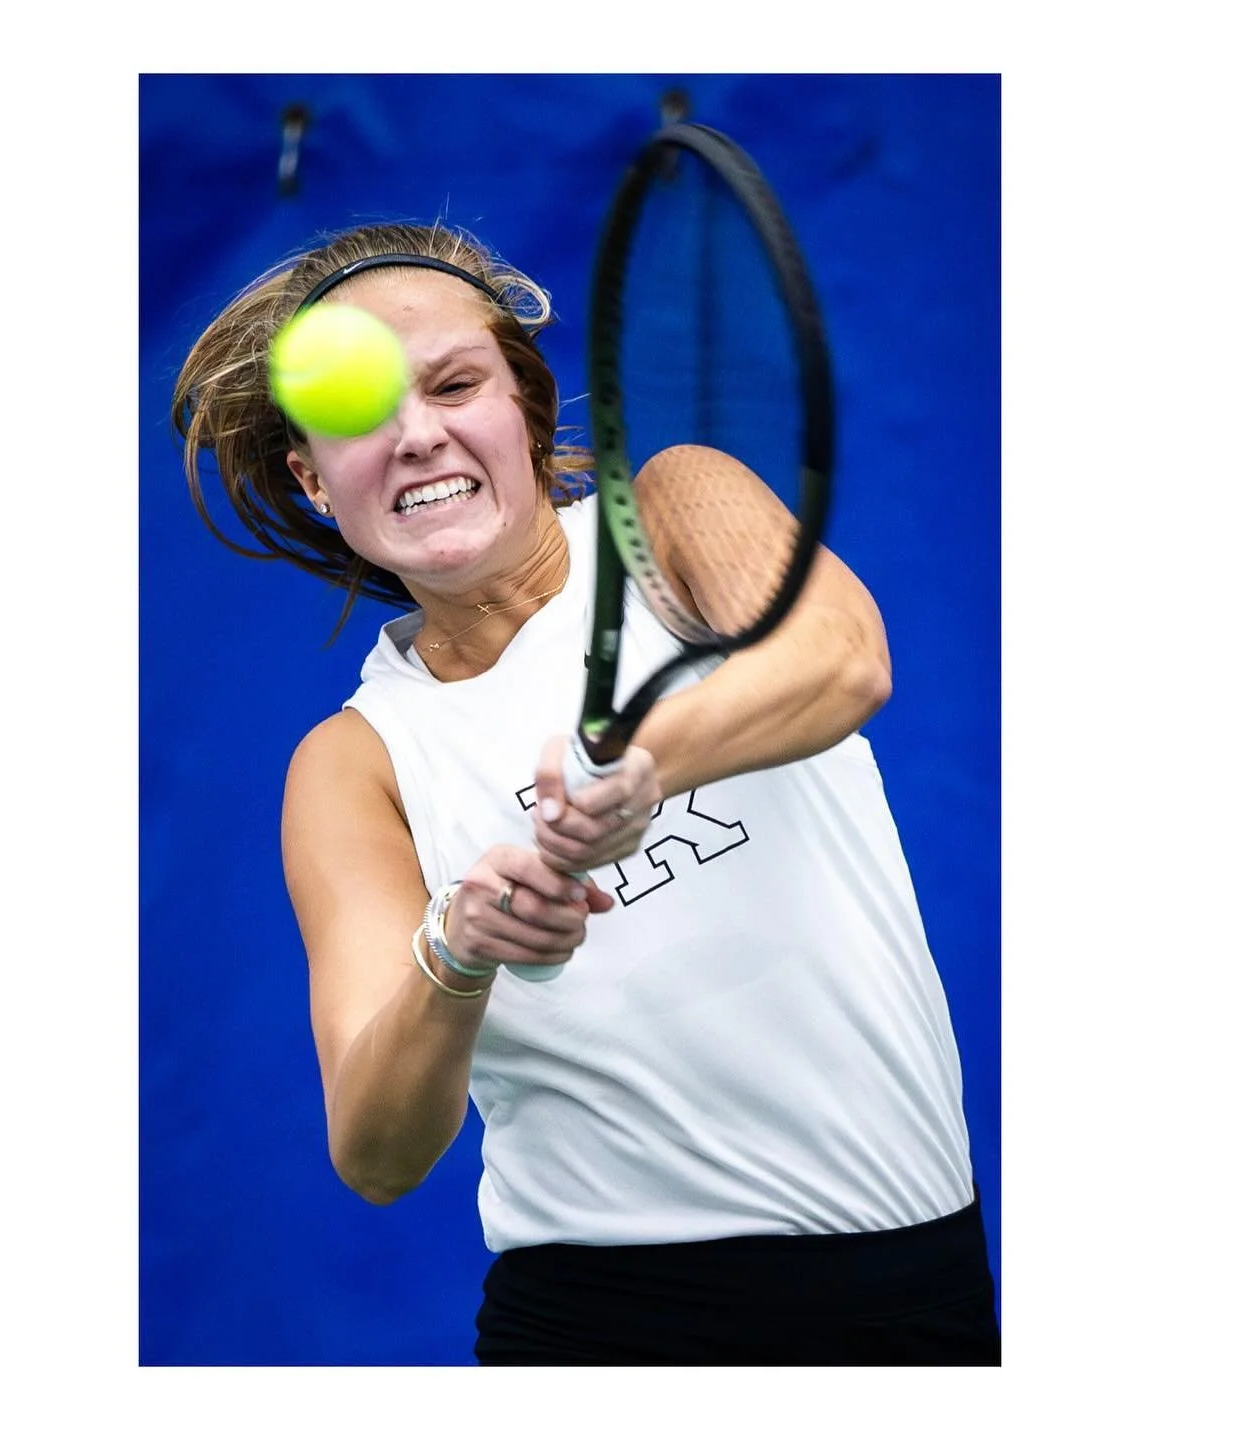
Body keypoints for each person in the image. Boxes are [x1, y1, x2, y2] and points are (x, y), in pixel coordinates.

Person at [172, 220, 1000, 1365]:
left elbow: (840, 657)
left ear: (523, 406)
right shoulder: (353, 762)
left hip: (912, 1289)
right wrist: (458, 952)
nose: (416, 436)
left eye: (456, 384)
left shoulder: (676, 507)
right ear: (314, 480)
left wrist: (640, 763)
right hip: (595, 1326)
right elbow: (375, 1152)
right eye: (360, 414)